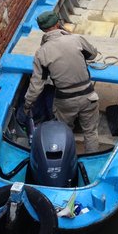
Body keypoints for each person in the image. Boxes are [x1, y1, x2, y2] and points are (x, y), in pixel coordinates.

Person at [23, 10, 100, 152]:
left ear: (42, 29)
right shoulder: (77, 39)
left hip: (65, 101)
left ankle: (67, 155)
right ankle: (92, 161)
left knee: (64, 132)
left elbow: (36, 87)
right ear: (58, 24)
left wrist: (28, 104)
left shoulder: (41, 53)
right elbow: (92, 54)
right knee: (90, 132)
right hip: (89, 97)